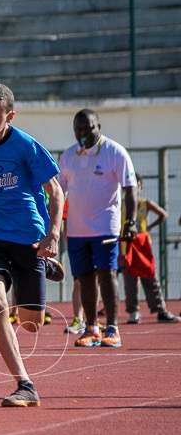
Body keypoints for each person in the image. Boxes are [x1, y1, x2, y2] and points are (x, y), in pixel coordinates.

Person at [0, 83, 65, 407]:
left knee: (31, 323)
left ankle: (41, 266)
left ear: (9, 116)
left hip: (28, 237)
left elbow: (56, 192)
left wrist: (54, 233)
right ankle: (24, 384)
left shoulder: (26, 146)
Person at [58, 108, 137, 348]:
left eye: (88, 128)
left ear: (98, 127)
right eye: (78, 129)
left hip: (106, 226)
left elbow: (130, 188)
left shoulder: (115, 152)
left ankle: (112, 327)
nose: (82, 133)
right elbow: (58, 193)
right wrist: (54, 225)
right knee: (84, 277)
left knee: (107, 273)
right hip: (76, 229)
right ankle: (92, 327)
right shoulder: (68, 156)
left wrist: (130, 222)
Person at [123, 175, 178, 324]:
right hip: (126, 248)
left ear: (140, 187)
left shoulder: (144, 203)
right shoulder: (121, 204)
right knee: (130, 281)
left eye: (137, 185)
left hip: (142, 246)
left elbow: (163, 214)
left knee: (150, 278)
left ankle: (161, 310)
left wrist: (150, 227)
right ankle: (134, 311)